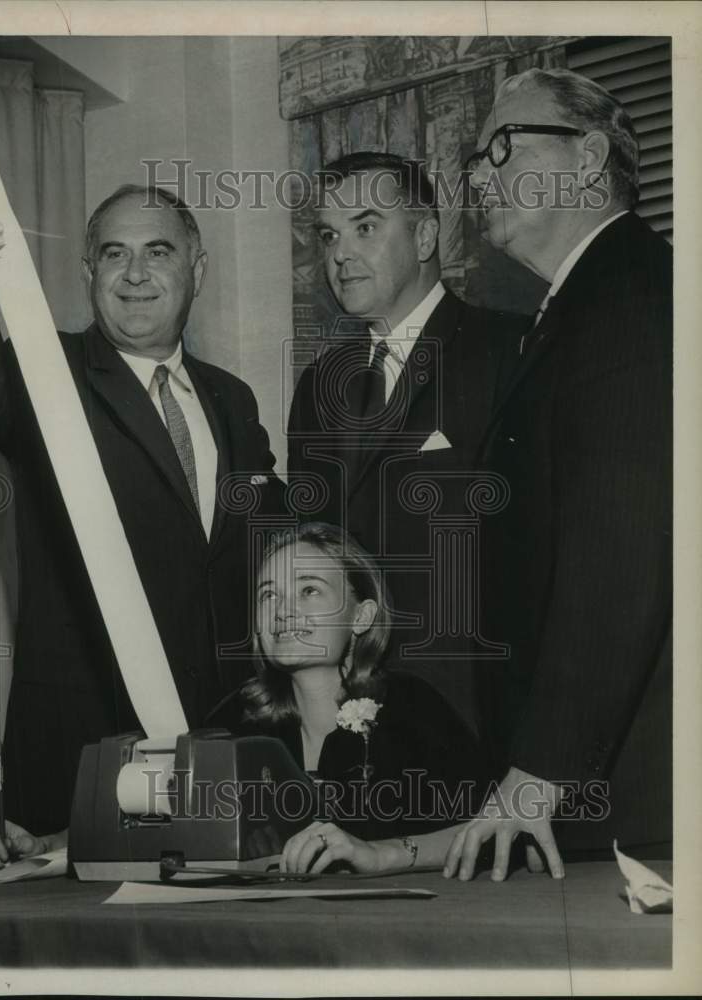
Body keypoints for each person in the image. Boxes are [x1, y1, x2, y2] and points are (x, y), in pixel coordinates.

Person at [0, 183, 284, 846]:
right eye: (115, 254)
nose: (135, 273)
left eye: (158, 252)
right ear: (89, 273)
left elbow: (270, 546)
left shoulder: (232, 399)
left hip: (221, 756)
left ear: (197, 270)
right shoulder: (46, 369)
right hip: (80, 759)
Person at [448, 67, 672, 882]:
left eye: (502, 147)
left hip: (626, 808)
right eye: (474, 159)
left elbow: (620, 554)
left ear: (588, 157)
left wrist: (540, 773)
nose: (479, 177)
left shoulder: (628, 299)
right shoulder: (590, 299)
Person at [286, 151, 523, 737]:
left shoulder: (511, 352)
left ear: (424, 237)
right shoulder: (319, 384)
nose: (340, 254)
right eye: (329, 235)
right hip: (352, 719)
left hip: (474, 715)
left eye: (365, 227)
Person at [209, 521, 495, 874]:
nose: (282, 611)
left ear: (361, 616)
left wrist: (381, 854)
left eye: (309, 590)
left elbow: (491, 829)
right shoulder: (234, 722)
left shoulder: (411, 708)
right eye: (268, 595)